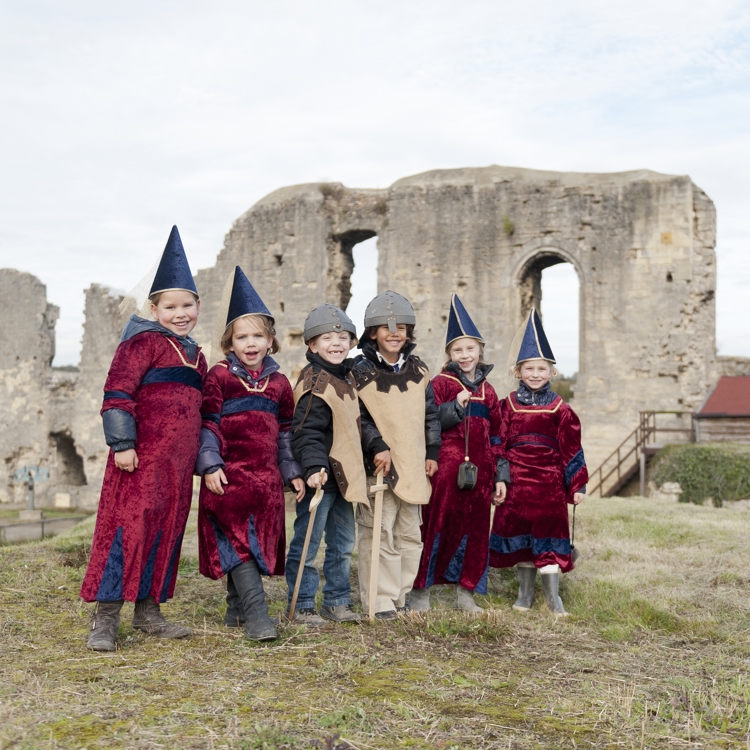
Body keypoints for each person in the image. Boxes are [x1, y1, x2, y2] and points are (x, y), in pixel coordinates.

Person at [81, 226, 207, 651]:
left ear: (198, 306)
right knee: (125, 532)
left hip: (177, 466)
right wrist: (123, 444)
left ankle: (149, 611)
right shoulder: (141, 343)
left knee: (166, 531)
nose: (180, 313)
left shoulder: (198, 355)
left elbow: (203, 409)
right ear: (154, 308)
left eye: (187, 305)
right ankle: (106, 618)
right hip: (139, 459)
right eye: (170, 306)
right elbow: (117, 394)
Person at [195, 266, 304, 641]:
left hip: (266, 481)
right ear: (230, 343)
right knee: (236, 539)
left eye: (258, 335)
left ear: (271, 341)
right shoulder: (220, 376)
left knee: (255, 542)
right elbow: (207, 422)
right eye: (242, 337)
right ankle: (258, 617)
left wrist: (291, 471)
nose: (251, 343)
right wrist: (209, 463)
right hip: (229, 476)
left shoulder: (279, 383)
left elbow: (286, 431)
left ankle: (235, 608)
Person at [410, 295, 509, 612]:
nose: (465, 355)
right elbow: (430, 421)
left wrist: (499, 476)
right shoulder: (440, 383)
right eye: (457, 350)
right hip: (445, 471)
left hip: (481, 475)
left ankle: (467, 592)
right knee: (435, 525)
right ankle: (420, 591)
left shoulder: (489, 390)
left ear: (480, 350)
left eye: (470, 349)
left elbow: (498, 436)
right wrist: (456, 406)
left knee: (476, 531)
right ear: (449, 353)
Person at [489, 308, 587, 615]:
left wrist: (577, 484)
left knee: (549, 539)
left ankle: (553, 598)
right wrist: (500, 478)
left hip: (549, 486)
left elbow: (572, 449)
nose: (535, 374)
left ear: (552, 372)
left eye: (541, 369)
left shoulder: (561, 409)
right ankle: (524, 593)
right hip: (516, 487)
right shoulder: (507, 406)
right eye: (529, 368)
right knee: (522, 540)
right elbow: (498, 444)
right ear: (519, 372)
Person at [351, 291, 441, 619]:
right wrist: (377, 445)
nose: (394, 333)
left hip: (413, 462)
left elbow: (430, 414)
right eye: (386, 327)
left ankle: (401, 595)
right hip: (380, 466)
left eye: (401, 327)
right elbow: (357, 416)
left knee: (408, 534)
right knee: (380, 533)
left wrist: (432, 450)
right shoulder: (357, 370)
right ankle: (380, 600)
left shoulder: (419, 369)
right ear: (372, 332)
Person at [286, 304, 369, 626]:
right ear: (312, 345)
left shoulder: (345, 378)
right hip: (320, 478)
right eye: (328, 338)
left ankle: (336, 601)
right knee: (307, 545)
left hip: (344, 478)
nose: (337, 343)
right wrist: (313, 468)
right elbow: (306, 432)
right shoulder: (315, 384)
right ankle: (302, 604)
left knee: (342, 545)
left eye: (343, 337)